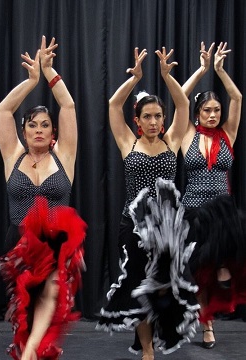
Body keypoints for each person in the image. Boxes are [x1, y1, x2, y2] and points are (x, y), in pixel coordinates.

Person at [96, 47, 199, 360]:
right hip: (134, 227)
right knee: (139, 286)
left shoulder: (173, 140)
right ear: (137, 120)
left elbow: (182, 102)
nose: (153, 121)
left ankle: (161, 330)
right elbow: (114, 104)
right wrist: (135, 79)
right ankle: (147, 349)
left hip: (167, 230)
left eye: (158, 116)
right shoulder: (129, 142)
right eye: (147, 117)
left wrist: (168, 77)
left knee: (164, 288)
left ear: (163, 119)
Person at [0, 36, 87, 360]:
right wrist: (31, 80)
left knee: (50, 292)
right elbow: (3, 109)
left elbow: (69, 106)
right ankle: (32, 350)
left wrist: (50, 74)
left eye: (44, 125)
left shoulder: (65, 155)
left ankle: (32, 350)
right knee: (27, 316)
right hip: (19, 244)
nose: (38, 130)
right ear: (24, 131)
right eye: (32, 125)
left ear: (54, 133)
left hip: (56, 245)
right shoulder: (13, 156)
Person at [180, 41, 246, 349]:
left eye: (216, 110)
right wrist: (202, 70)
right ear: (196, 113)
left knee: (219, 272)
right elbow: (179, 97)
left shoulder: (227, 134)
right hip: (194, 209)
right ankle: (205, 325)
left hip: (221, 213)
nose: (213, 114)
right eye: (206, 110)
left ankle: (207, 318)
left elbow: (237, 96)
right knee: (199, 275)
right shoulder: (187, 136)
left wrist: (219, 71)